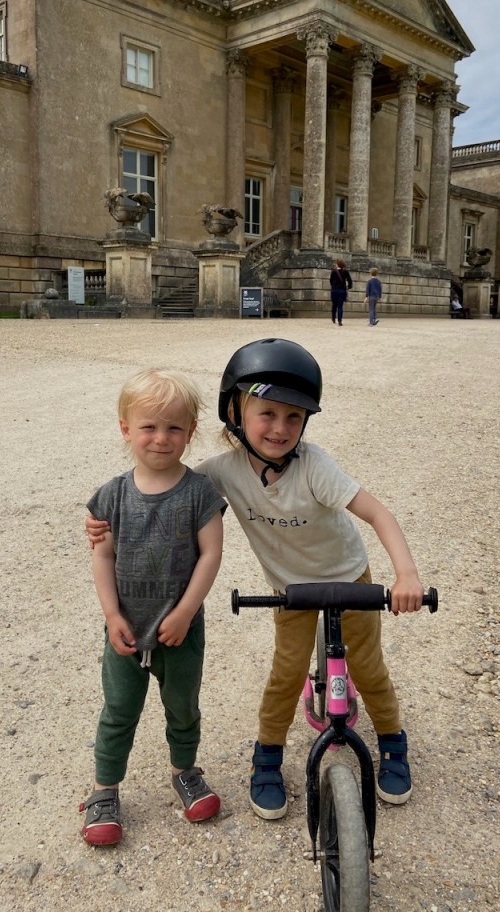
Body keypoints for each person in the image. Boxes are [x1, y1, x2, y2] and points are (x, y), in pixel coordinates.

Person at [87, 339, 425, 820]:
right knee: (285, 674)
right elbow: (165, 484)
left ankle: (392, 740)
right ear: (236, 414)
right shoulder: (220, 473)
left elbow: (377, 513)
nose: (280, 428)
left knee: (368, 667)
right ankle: (267, 757)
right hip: (290, 591)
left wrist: (406, 574)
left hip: (349, 577)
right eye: (266, 413)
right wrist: (104, 521)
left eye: (293, 417)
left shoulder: (315, 466)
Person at [80, 369, 226, 846]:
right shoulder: (111, 495)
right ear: (126, 429)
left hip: (180, 630)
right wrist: (111, 614)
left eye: (174, 428)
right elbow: (103, 556)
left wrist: (185, 611)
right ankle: (104, 790)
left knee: (182, 706)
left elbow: (211, 554)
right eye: (149, 426)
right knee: (118, 709)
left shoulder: (200, 493)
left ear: (191, 431)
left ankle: (185, 771)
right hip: (126, 628)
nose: (161, 438)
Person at [329, 259, 352, 325]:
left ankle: (333, 318)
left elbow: (331, 280)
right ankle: (340, 321)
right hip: (342, 290)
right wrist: (349, 286)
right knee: (340, 306)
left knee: (334, 305)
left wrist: (333, 286)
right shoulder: (345, 272)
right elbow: (349, 280)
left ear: (337, 264)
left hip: (334, 290)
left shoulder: (333, 272)